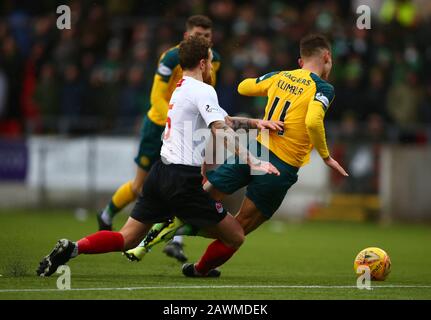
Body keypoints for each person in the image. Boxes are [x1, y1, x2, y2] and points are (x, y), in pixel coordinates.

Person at [36, 36, 282, 278]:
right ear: (202, 63)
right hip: (182, 181)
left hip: (159, 173)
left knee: (126, 237)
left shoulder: (180, 89)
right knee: (235, 235)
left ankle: (74, 247)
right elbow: (220, 128)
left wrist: (257, 123)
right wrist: (253, 160)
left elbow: (225, 120)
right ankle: (181, 240)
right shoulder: (203, 90)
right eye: (209, 60)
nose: (212, 66)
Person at [125, 34, 349, 278]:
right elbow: (313, 121)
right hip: (280, 165)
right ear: (327, 57)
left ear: (300, 60)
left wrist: (273, 87)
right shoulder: (324, 88)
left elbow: (244, 86)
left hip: (255, 149)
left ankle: (159, 232)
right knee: (238, 229)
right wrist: (326, 156)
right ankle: (200, 269)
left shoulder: (281, 76)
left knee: (201, 198)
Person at [97, 15, 222, 263]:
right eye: (199, 35)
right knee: (139, 187)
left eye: (207, 36)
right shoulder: (170, 57)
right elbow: (156, 96)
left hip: (188, 129)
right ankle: (107, 213)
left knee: (187, 182)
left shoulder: (213, 59)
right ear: (187, 36)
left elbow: (208, 91)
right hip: (159, 125)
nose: (204, 40)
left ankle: (175, 242)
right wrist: (175, 120)